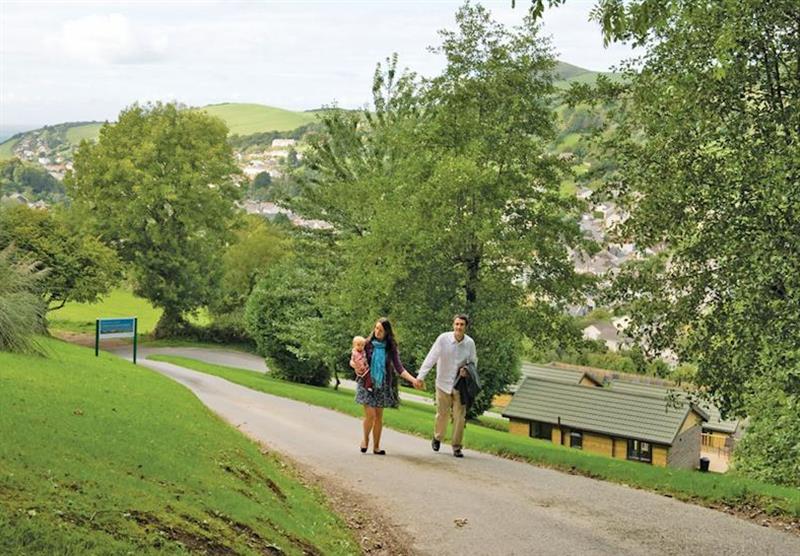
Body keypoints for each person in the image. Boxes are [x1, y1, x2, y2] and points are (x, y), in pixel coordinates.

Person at [416, 314, 478, 458]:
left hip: (459, 385)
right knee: (442, 414)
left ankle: (456, 446)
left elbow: (473, 362)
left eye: (462, 325)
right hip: (443, 383)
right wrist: (421, 376)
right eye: (457, 324)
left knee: (460, 417)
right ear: (453, 325)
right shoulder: (443, 339)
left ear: (465, 327)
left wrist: (467, 372)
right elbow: (431, 357)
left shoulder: (470, 343)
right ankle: (437, 437)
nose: (459, 327)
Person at [356, 317, 420, 454]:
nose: (377, 331)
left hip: (382, 385)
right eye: (376, 328)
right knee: (370, 415)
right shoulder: (367, 344)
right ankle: (365, 439)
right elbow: (354, 357)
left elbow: (399, 368)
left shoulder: (390, 348)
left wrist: (413, 380)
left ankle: (376, 446)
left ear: (387, 332)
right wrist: (355, 367)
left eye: (381, 329)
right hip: (367, 382)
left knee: (379, 416)